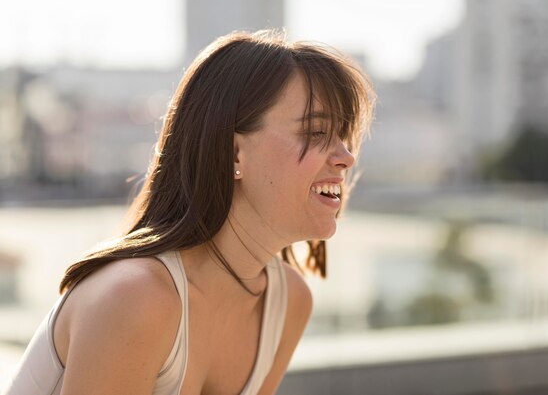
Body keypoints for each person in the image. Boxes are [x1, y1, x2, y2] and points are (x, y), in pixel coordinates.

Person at [2, 29, 374, 395]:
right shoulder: (136, 298)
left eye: (344, 136)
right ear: (233, 154)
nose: (345, 157)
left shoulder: (287, 303)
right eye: (315, 133)